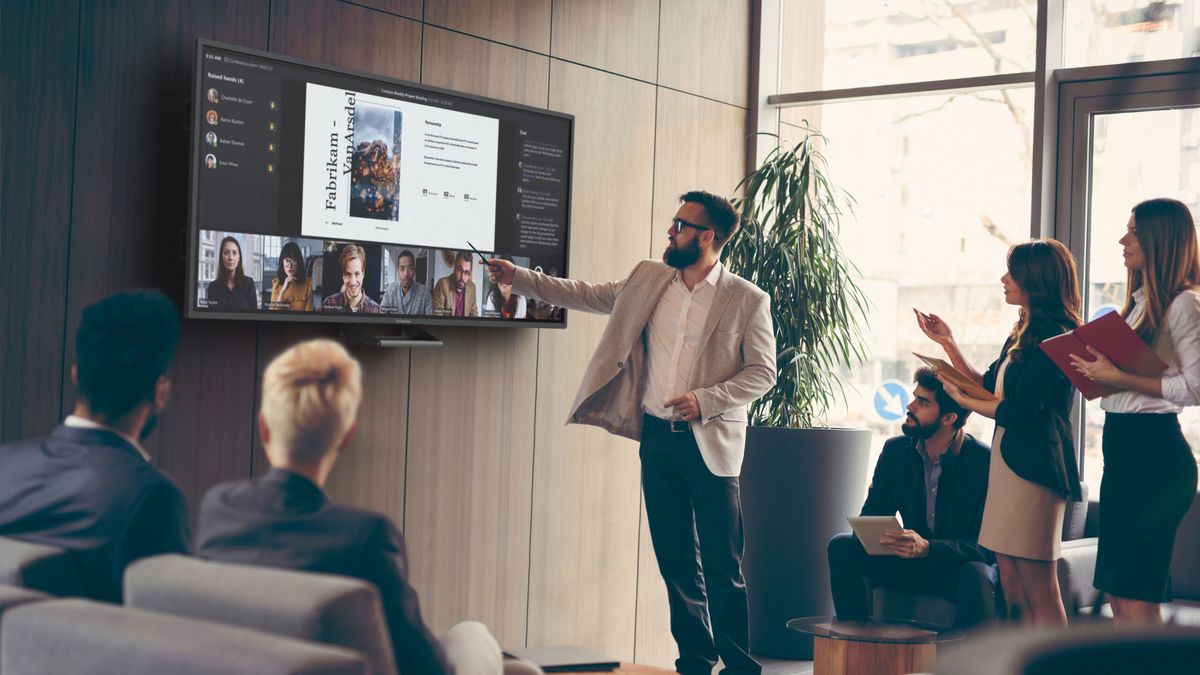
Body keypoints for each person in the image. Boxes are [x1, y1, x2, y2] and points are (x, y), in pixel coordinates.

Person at [487, 190, 776, 675]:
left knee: (725, 570)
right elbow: (587, 293)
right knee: (676, 565)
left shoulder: (747, 299)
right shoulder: (649, 278)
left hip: (712, 448)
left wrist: (705, 400)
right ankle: (695, 664)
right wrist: (519, 278)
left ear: (708, 236)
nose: (670, 230)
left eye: (681, 224)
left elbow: (763, 373)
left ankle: (740, 668)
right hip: (659, 441)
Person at [195, 339, 502, 675]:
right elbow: (424, 667)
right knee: (473, 634)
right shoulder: (366, 537)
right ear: (345, 436)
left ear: (264, 427)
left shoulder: (218, 509)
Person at [917, 239, 1084, 626]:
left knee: (1040, 587)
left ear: (1035, 279)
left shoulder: (1057, 336)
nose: (1003, 279)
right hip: (1009, 467)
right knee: (1010, 580)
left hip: (1036, 471)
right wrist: (948, 344)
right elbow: (988, 386)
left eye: (1013, 272)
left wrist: (962, 398)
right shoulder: (1022, 334)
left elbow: (1017, 409)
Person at [0, 290, 189, 602]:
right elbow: (168, 623)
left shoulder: (5, 463)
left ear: (76, 375)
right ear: (160, 392)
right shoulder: (152, 498)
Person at [1070, 198, 1200, 624]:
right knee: (1120, 594)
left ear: (1161, 239)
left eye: (1134, 232)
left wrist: (1119, 377)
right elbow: (1129, 383)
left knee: (1136, 594)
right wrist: (1097, 375)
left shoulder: (1184, 304)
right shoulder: (1140, 302)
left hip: (1155, 455)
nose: (1122, 240)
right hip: (1124, 451)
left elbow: (1195, 388)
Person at [827, 368, 998, 629]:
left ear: (948, 418)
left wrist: (929, 548)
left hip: (953, 567)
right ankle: (857, 645)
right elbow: (873, 513)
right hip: (908, 563)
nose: (910, 406)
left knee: (977, 574)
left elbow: (987, 548)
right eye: (914, 397)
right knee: (842, 547)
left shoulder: (982, 461)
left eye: (923, 402)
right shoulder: (896, 451)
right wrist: (884, 537)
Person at [322, 244, 380, 313]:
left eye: (357, 274)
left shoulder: (375, 309)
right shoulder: (329, 303)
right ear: (343, 276)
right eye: (348, 274)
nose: (353, 282)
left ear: (363, 274)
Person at [207, 235, 258, 310]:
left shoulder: (249, 284)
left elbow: (254, 317)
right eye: (226, 253)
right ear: (221, 257)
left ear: (239, 258)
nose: (230, 257)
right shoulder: (212, 288)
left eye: (234, 253)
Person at [380, 249, 432, 315]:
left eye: (410, 268)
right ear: (397, 270)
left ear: (414, 271)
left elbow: (430, 321)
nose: (406, 274)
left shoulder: (425, 293)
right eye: (402, 269)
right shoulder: (390, 290)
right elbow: (382, 315)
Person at [269, 241, 313, 311]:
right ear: (282, 262)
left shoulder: (307, 285)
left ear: (298, 263)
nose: (290, 265)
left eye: (293, 260)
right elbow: (272, 314)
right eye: (287, 260)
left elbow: (308, 314)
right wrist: (283, 291)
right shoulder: (277, 284)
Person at [432, 251, 478, 317]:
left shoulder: (472, 287)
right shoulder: (442, 284)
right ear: (454, 269)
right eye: (459, 269)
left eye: (466, 272)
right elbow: (437, 317)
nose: (462, 277)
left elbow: (474, 315)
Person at [484, 255, 526, 319]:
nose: (503, 281)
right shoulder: (492, 296)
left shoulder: (521, 298)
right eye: (500, 275)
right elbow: (489, 324)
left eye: (507, 275)